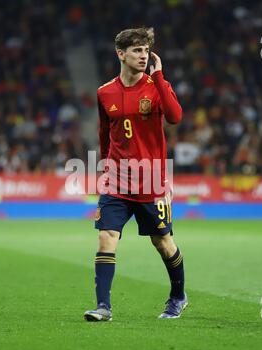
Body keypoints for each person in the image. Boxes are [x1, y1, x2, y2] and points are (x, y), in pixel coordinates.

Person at [84, 27, 187, 321]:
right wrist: (105, 165)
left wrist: (160, 78)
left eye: (146, 50)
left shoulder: (156, 86)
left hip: (151, 181)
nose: (143, 56)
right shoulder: (105, 92)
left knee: (163, 243)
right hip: (116, 181)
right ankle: (103, 306)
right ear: (121, 54)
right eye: (137, 50)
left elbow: (175, 117)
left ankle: (178, 297)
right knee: (107, 238)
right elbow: (105, 132)